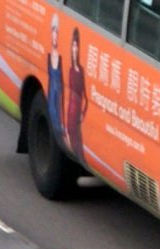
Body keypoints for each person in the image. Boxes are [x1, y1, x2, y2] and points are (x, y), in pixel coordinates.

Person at [65, 27, 88, 160]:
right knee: (73, 149)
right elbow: (69, 96)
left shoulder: (81, 70)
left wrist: (82, 114)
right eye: (73, 45)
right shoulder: (70, 71)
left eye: (77, 46)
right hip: (71, 114)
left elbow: (86, 98)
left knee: (79, 149)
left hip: (77, 115)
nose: (75, 49)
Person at [47, 15, 64, 140]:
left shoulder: (60, 58)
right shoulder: (48, 56)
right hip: (51, 90)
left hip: (58, 91)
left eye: (56, 32)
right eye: (53, 31)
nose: (54, 35)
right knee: (51, 111)